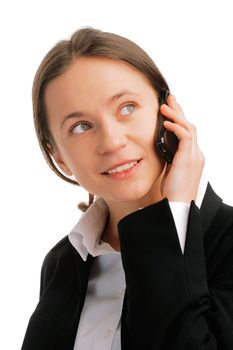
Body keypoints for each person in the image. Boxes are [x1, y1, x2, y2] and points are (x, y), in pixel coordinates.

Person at [21, 27, 233, 350]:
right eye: (81, 126)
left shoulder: (227, 242)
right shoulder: (62, 263)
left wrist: (173, 217)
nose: (112, 141)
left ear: (169, 114)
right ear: (60, 159)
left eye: (127, 107)